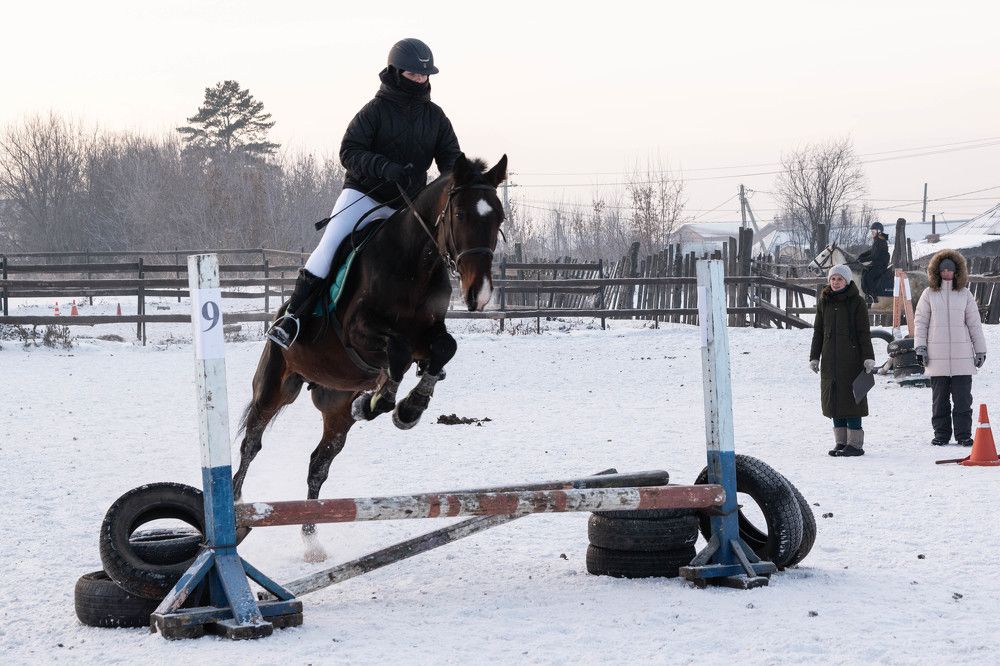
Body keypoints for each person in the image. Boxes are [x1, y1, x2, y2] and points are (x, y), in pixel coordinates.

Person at [267, 38, 462, 348]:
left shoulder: (436, 118)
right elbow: (349, 151)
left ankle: (429, 328)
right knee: (330, 245)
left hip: (407, 205)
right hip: (364, 195)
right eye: (413, 74)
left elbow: (451, 161)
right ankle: (293, 317)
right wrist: (383, 167)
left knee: (430, 256)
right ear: (396, 72)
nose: (420, 80)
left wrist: (459, 182)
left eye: (424, 75)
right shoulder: (374, 111)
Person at [913, 249, 988, 446]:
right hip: (936, 358)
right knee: (939, 400)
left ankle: (963, 435)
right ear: (937, 272)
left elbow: (974, 324)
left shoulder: (965, 294)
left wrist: (980, 350)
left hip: (962, 357)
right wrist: (920, 347)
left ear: (957, 272)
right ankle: (941, 434)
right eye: (943, 270)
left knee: (963, 400)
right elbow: (920, 322)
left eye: (950, 270)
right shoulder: (928, 294)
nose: (947, 273)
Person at [809, 264, 877, 456]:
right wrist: (814, 357)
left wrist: (868, 357)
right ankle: (841, 442)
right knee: (834, 401)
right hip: (830, 360)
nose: (836, 282)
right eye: (833, 279)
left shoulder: (857, 302)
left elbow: (864, 332)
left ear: (846, 281)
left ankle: (855, 444)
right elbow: (818, 332)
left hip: (852, 360)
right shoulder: (824, 302)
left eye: (839, 279)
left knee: (852, 400)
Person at [857, 221, 891, 305]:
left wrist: (862, 260)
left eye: (874, 231)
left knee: (869, 276)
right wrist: (862, 255)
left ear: (879, 231)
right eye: (872, 231)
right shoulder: (877, 240)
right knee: (865, 272)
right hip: (877, 264)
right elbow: (872, 251)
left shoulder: (881, 241)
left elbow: (874, 256)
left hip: (880, 266)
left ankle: (873, 296)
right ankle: (867, 293)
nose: (872, 232)